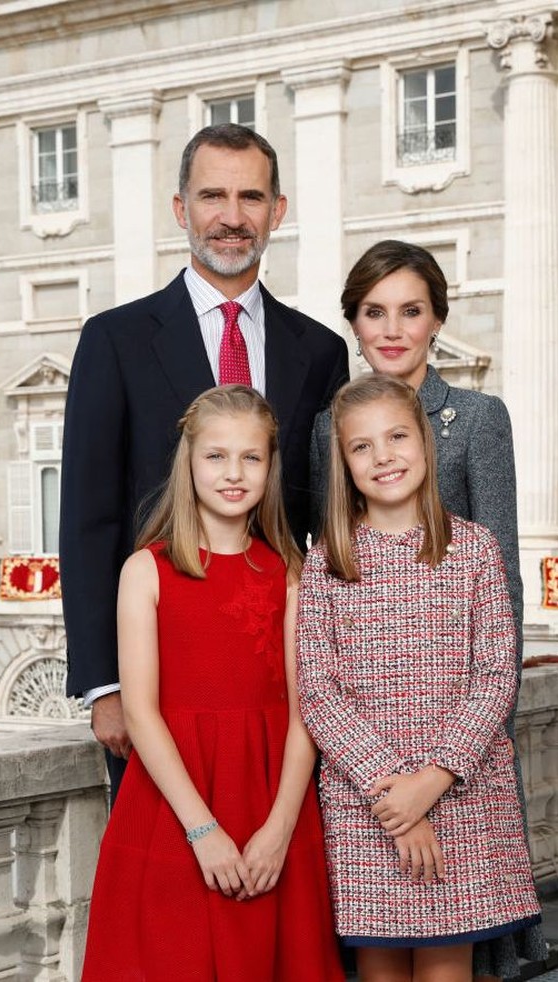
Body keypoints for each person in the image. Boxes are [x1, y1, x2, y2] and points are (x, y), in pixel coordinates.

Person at [60, 123, 349, 800]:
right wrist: (104, 683)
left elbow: (332, 519)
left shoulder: (320, 350)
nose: (231, 216)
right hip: (158, 677)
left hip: (280, 678)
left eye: (251, 197)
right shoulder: (114, 340)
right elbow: (88, 518)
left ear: (277, 211)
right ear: (181, 208)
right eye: (212, 195)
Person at [310, 240, 546, 979]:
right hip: (366, 778)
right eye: (373, 311)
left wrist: (458, 760)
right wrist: (388, 787)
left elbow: (500, 603)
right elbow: (320, 669)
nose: (392, 328)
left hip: (461, 755)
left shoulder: (476, 420)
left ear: (437, 318)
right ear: (353, 322)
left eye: (410, 310)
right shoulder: (327, 432)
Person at [80, 385, 345, 982]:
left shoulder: (290, 573)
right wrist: (202, 831)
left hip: (270, 799)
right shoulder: (145, 570)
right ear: (190, 462)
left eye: (251, 457)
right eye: (216, 456)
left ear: (271, 467)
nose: (233, 473)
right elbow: (141, 714)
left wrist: (279, 830)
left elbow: (307, 714)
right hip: (174, 805)